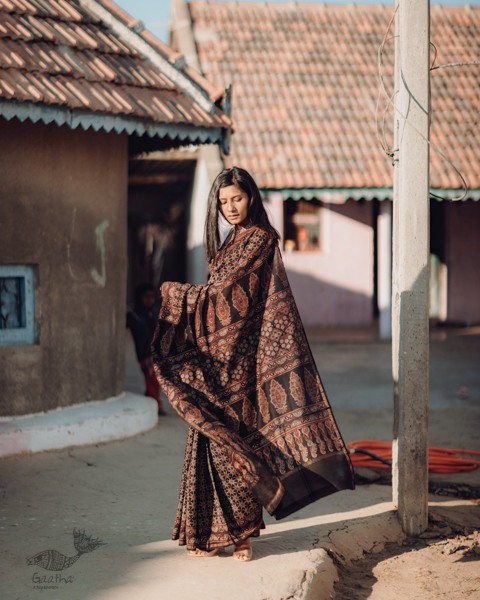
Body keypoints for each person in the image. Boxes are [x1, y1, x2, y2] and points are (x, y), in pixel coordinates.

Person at [151, 167, 355, 561]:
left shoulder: (259, 240)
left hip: (242, 361)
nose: (230, 208)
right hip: (216, 357)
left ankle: (243, 535)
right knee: (209, 439)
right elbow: (216, 295)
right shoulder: (232, 240)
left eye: (236, 199)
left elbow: (227, 298)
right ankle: (212, 535)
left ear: (251, 198)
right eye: (223, 202)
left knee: (237, 444)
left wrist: (177, 295)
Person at [127, 283, 166, 416]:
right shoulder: (135, 316)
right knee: (152, 379)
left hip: (155, 353)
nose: (149, 300)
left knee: (155, 380)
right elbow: (141, 333)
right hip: (145, 354)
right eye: (146, 297)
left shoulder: (152, 313)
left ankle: (152, 399)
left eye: (152, 297)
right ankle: (155, 403)